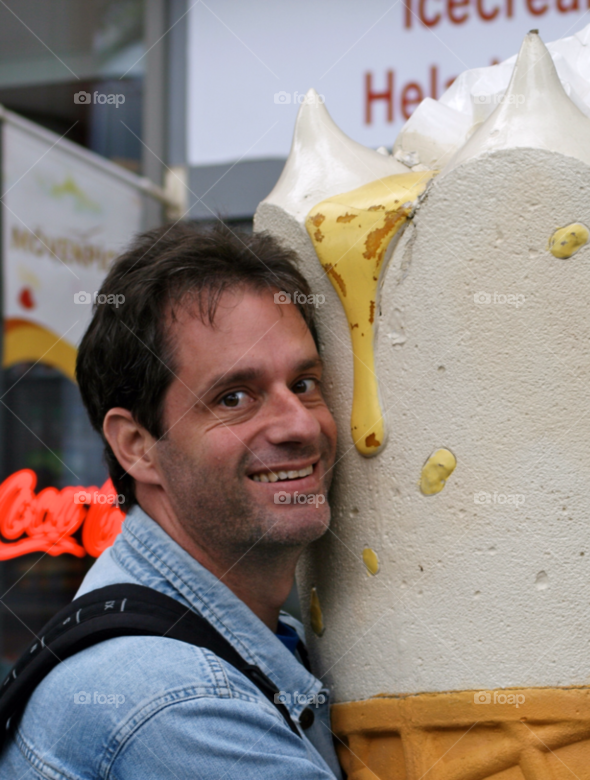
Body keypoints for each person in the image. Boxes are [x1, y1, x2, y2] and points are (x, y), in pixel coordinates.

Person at [0, 222, 342, 779]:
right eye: (235, 397)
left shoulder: (237, 638)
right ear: (138, 448)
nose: (299, 425)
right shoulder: (174, 703)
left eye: (304, 383)